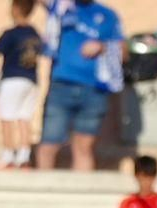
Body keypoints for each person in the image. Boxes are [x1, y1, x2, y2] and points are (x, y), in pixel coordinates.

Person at [39, 0, 125, 171]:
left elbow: (123, 49)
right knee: (49, 143)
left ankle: (80, 192)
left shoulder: (108, 15)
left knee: (83, 147)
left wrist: (102, 46)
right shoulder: (62, 6)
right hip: (61, 85)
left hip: (94, 89)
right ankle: (42, 193)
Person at [0, 0, 42, 169]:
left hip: (12, 79)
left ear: (15, 9)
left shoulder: (11, 34)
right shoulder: (35, 33)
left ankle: (8, 156)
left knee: (7, 117)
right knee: (24, 118)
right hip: (31, 80)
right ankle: (24, 156)